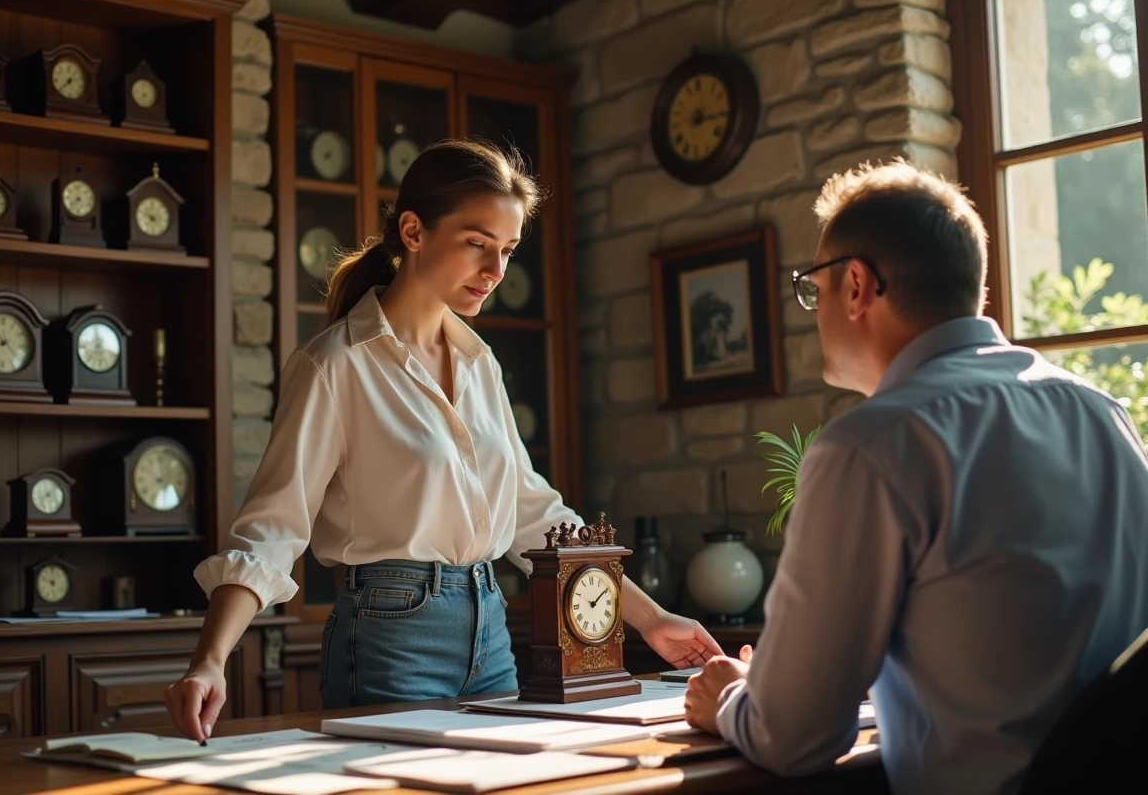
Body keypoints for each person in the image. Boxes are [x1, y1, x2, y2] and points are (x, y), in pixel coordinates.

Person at [165, 137, 723, 741]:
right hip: (389, 636)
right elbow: (272, 528)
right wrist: (210, 659)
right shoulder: (336, 365)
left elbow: (531, 514)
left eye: (507, 250)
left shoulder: (482, 365)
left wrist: (650, 619)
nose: (496, 272)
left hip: (494, 634)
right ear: (413, 232)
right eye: (477, 244)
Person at [683, 159, 1148, 794]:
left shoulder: (870, 447)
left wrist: (735, 699)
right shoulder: (1106, 416)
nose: (813, 307)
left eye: (813, 285)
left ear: (855, 285)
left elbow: (794, 738)